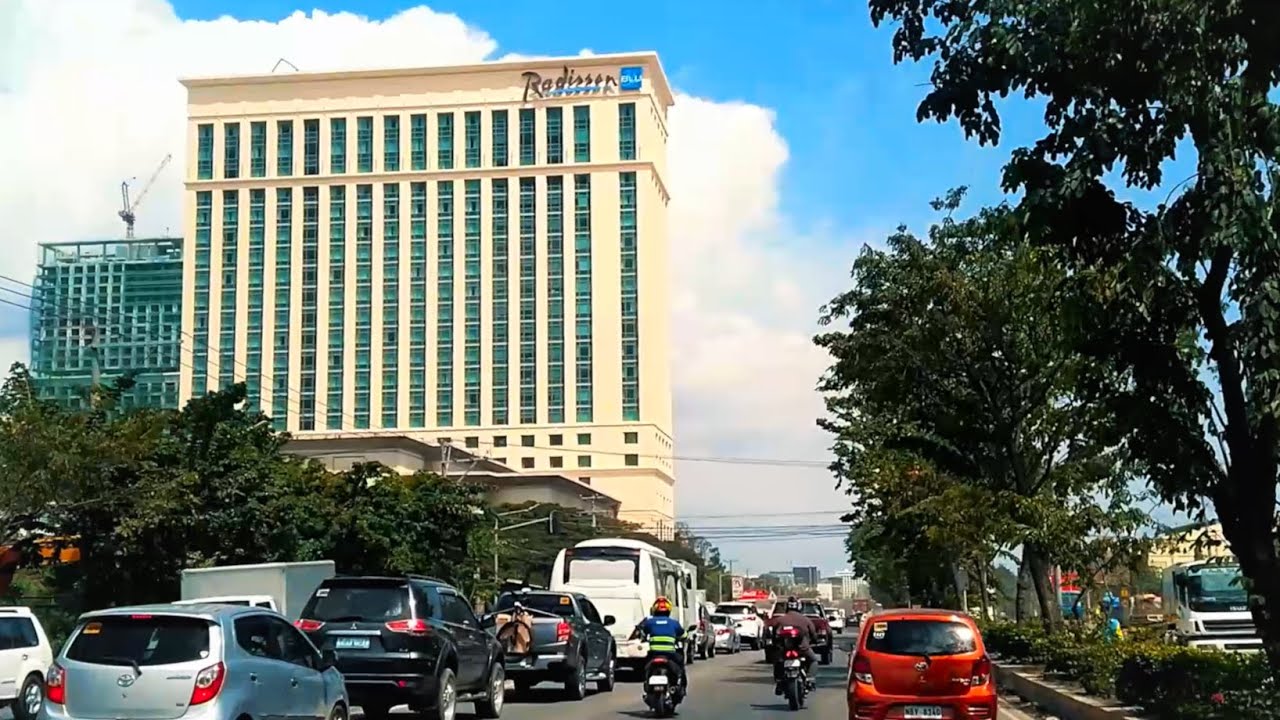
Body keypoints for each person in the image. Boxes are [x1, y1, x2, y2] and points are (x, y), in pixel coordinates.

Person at [633, 596, 687, 694]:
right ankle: (681, 686)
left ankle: (647, 685)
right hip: (670, 654)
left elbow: (642, 633)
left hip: (654, 653)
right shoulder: (674, 623)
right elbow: (684, 635)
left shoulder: (649, 622)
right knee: (680, 667)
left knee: (645, 667)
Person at [766, 596, 818, 693]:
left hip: (784, 649)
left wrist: (775, 645)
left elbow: (773, 635)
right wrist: (814, 641)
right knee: (813, 660)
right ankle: (810, 680)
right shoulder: (805, 620)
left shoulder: (780, 620)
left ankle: (779, 682)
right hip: (802, 649)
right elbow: (813, 634)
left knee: (777, 662)